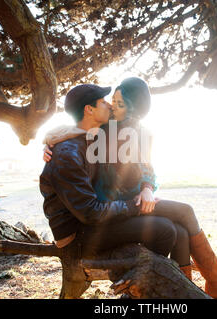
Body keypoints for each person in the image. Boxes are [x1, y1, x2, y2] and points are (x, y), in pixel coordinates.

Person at [43, 78, 217, 298]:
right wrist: (50, 140)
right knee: (181, 215)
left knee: (182, 231)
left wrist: (147, 187)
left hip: (120, 205)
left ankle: (189, 290)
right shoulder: (100, 130)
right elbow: (74, 126)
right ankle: (211, 283)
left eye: (119, 103)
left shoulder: (134, 132)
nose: (111, 106)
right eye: (110, 101)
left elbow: (146, 165)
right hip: (101, 215)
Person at [40, 84, 178, 266]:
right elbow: (90, 212)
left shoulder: (90, 138)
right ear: (89, 109)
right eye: (104, 102)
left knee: (176, 227)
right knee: (165, 230)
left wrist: (146, 188)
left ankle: (190, 283)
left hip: (90, 223)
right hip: (77, 236)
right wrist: (134, 205)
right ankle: (140, 284)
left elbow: (70, 130)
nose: (110, 106)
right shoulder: (67, 154)